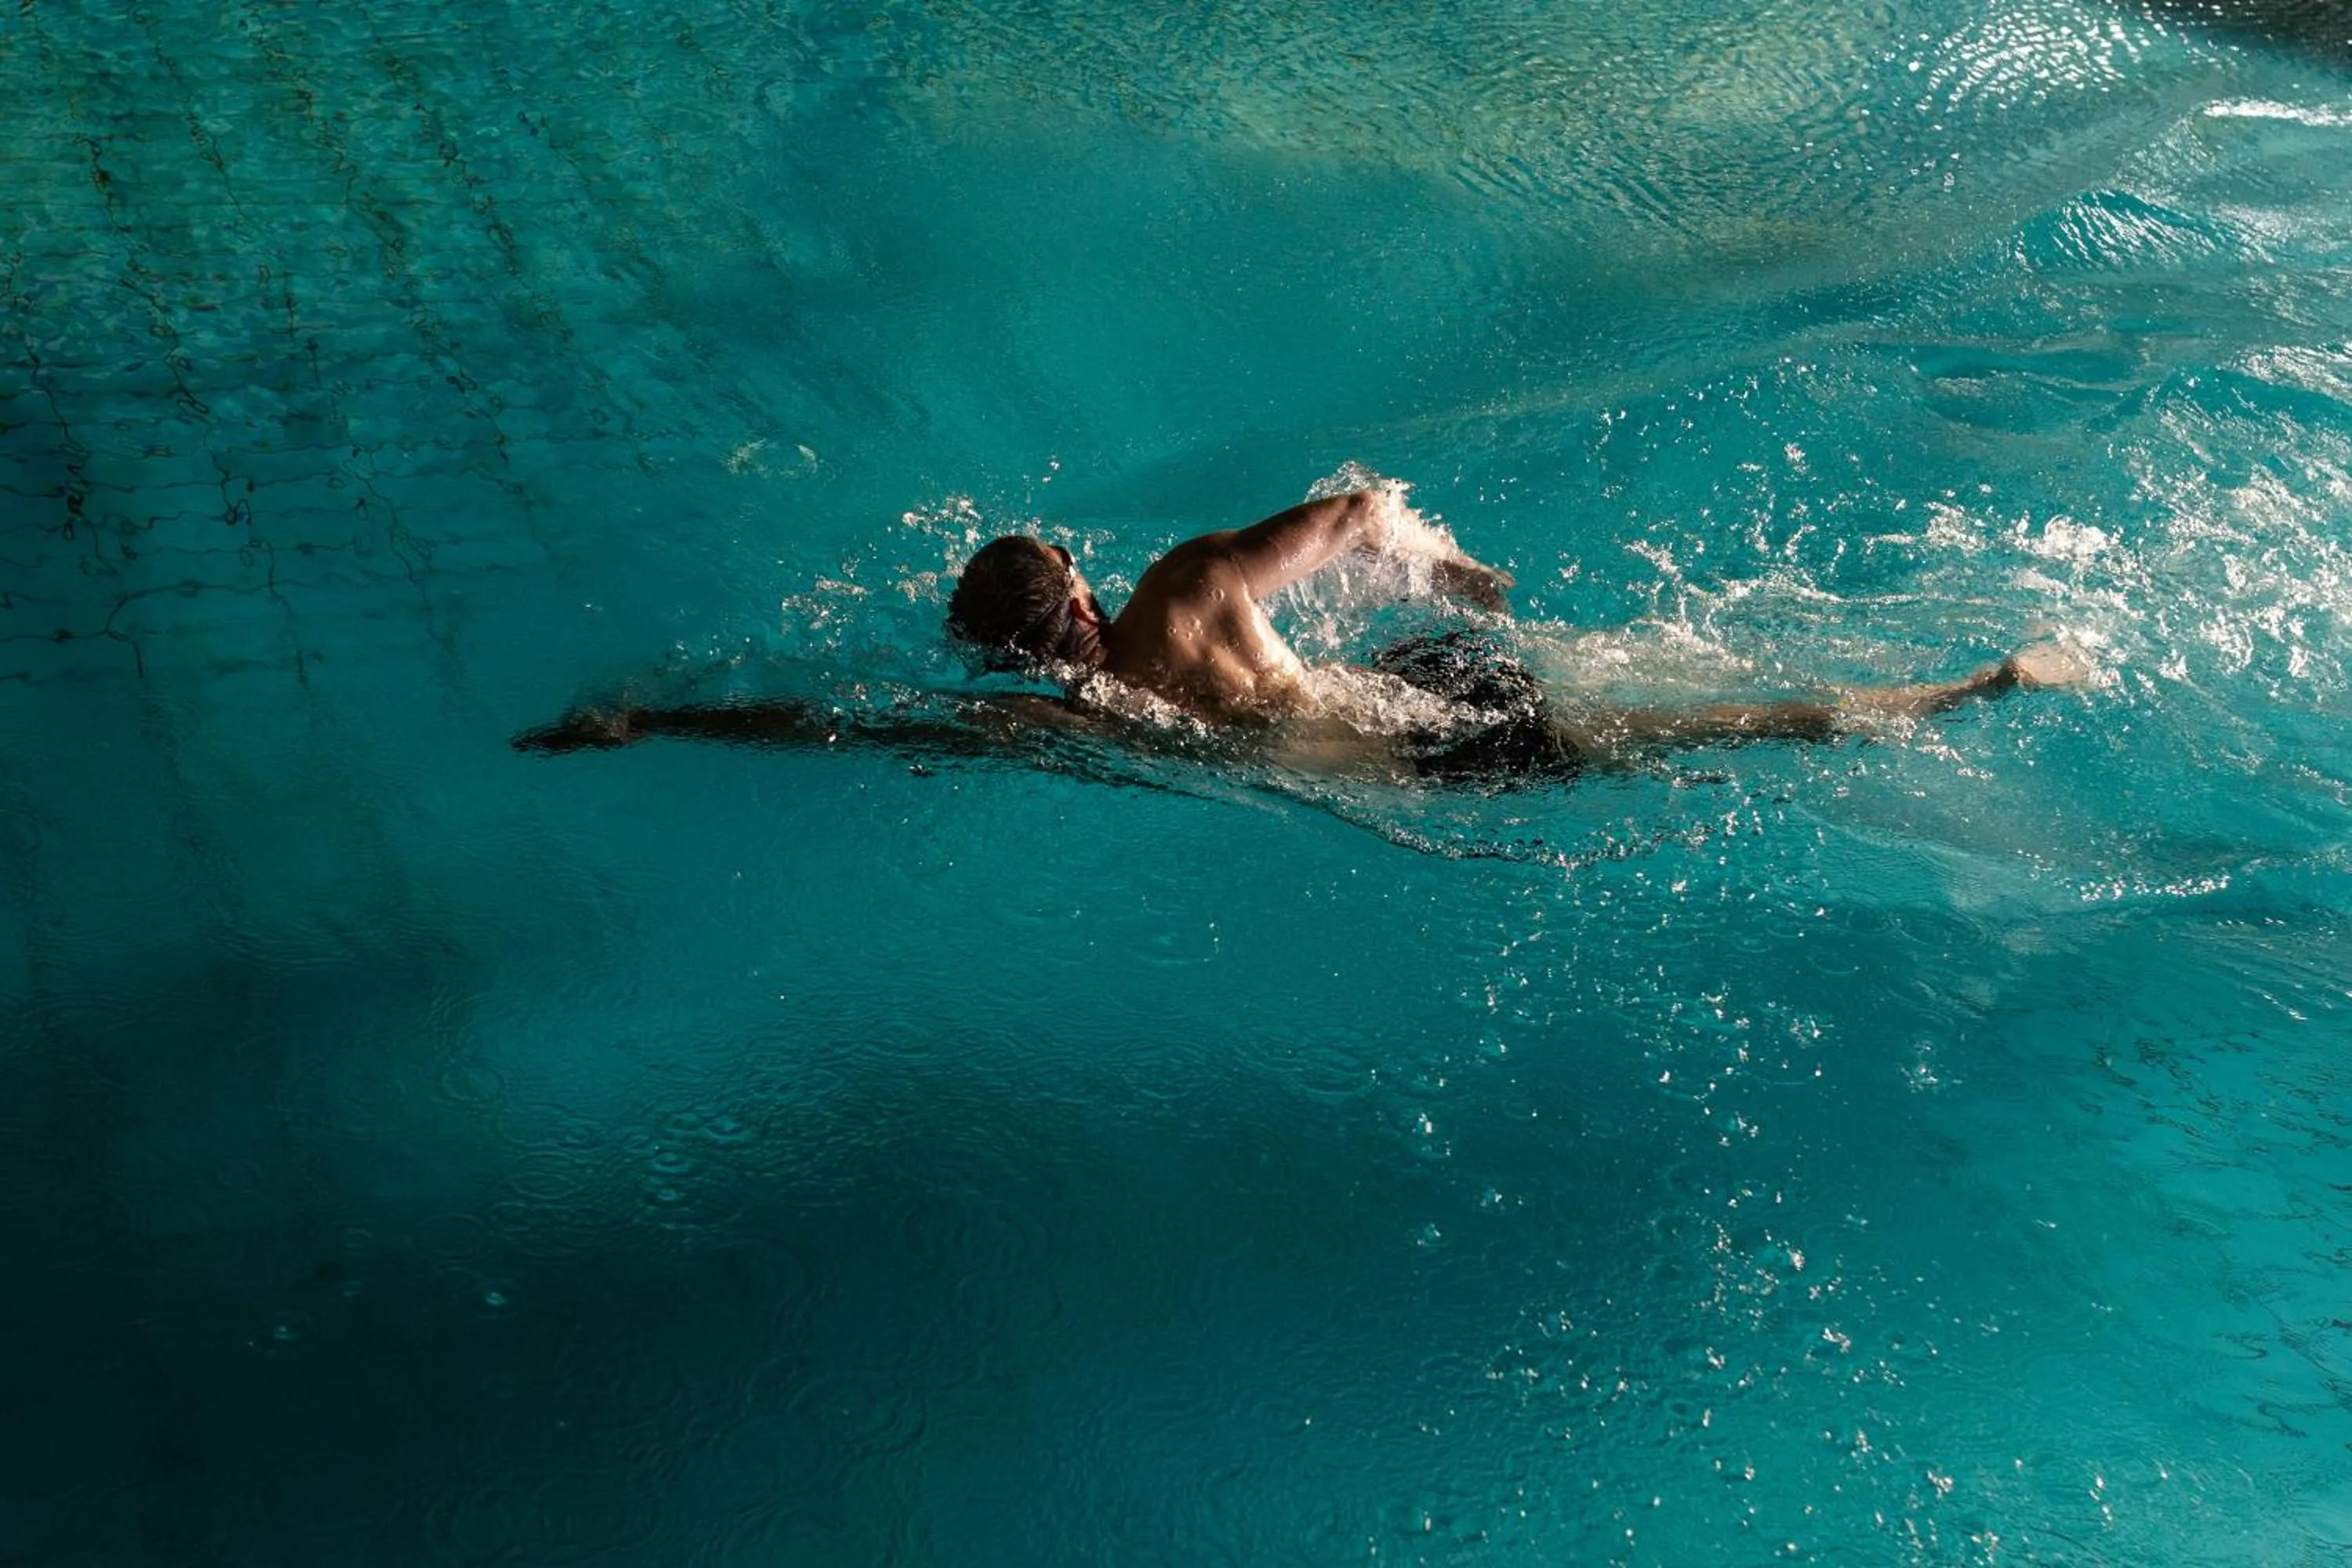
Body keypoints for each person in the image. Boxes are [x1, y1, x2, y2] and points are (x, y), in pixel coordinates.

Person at [514, 486, 2085, 779]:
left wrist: (659, 722)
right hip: (1419, 670)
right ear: (1081, 580)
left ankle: (1973, 686)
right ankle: (1968, 670)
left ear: (1016, 649)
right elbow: (1350, 504)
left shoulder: (1069, 721)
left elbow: (844, 728)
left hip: (1416, 756)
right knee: (1683, 685)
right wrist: (1446, 565)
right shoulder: (1194, 578)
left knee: (1712, 738)